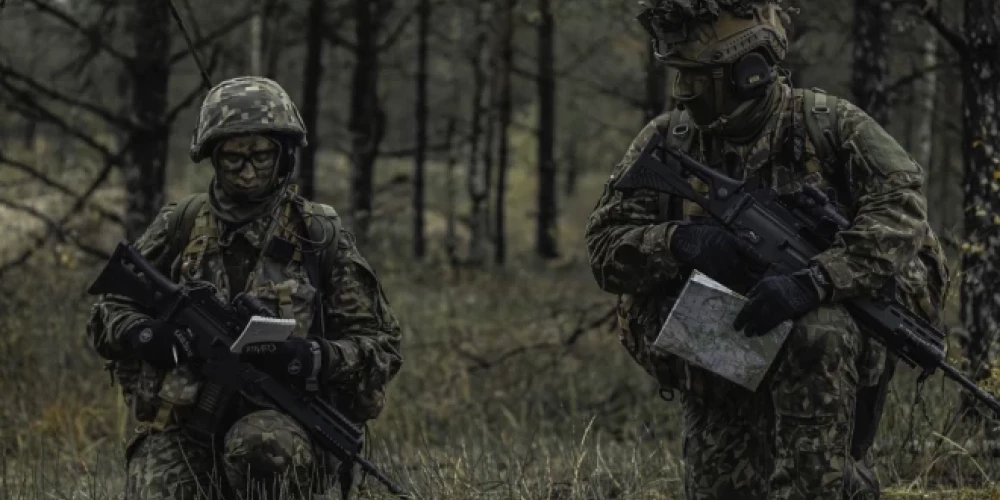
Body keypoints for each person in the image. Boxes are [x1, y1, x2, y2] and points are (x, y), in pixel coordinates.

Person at [584, 1, 949, 499]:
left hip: (824, 340)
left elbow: (903, 214)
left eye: (699, 74)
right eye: (678, 73)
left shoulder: (830, 125)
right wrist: (680, 242)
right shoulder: (670, 139)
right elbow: (605, 245)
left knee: (817, 335)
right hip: (716, 338)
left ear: (750, 70)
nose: (682, 90)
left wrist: (817, 280)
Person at [86, 76, 403, 500]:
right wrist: (150, 336)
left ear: (284, 154)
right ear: (213, 158)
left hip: (281, 430)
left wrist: (310, 357)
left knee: (262, 449)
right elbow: (107, 312)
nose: (248, 171)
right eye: (233, 158)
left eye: (261, 155)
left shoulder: (317, 234)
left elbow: (382, 346)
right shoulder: (181, 224)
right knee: (156, 485)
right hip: (188, 420)